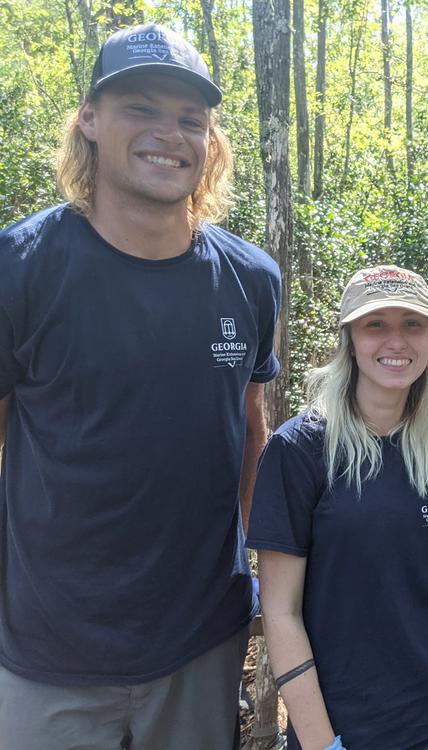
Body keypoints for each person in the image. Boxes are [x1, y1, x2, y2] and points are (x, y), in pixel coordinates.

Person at [0, 23, 280, 748]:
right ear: (89, 120)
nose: (170, 134)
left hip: (199, 641)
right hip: (47, 649)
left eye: (191, 119)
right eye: (142, 108)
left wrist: (264, 568)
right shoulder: (21, 267)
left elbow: (250, 429)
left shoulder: (250, 280)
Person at [247, 265, 428, 750]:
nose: (397, 340)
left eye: (412, 324)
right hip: (347, 717)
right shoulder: (298, 448)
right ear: (349, 340)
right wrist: (322, 743)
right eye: (376, 324)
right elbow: (281, 613)